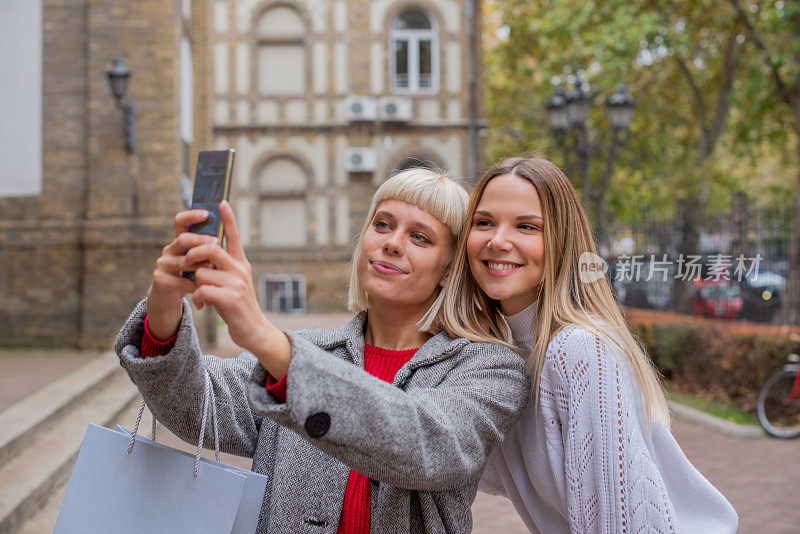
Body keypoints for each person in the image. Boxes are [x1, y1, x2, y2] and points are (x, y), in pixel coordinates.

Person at [114, 167, 530, 534]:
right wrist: (164, 307)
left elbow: (427, 443)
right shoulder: (310, 351)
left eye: (420, 237)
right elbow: (197, 406)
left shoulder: (490, 368)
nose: (392, 243)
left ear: (449, 270)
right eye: (382, 225)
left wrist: (262, 334)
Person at [440, 157, 739, 533]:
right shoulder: (506, 353)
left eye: (527, 227)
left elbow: (622, 525)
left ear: (561, 242)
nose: (498, 241)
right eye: (484, 223)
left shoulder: (578, 351)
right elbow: (485, 470)